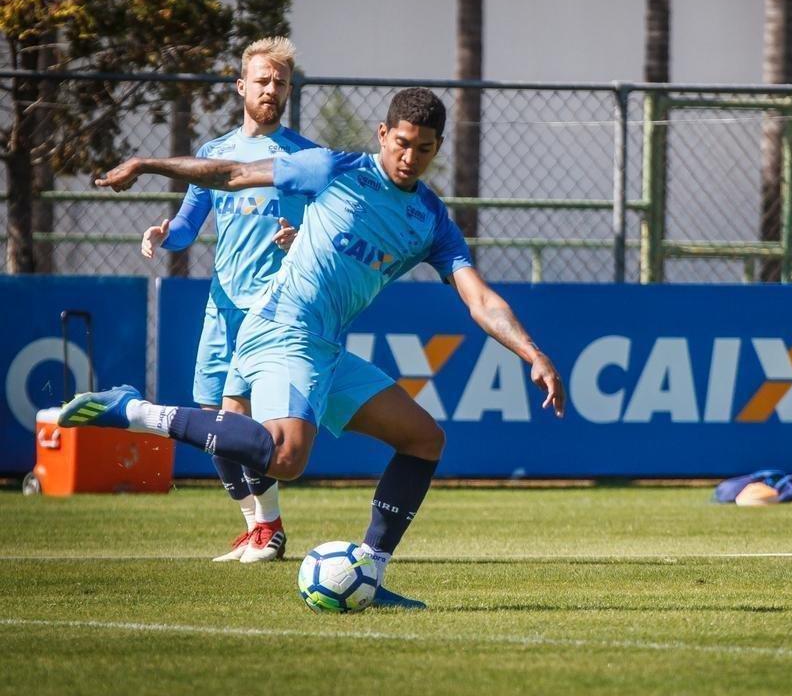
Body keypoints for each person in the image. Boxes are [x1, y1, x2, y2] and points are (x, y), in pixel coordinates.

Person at [61, 87, 567, 609]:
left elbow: (478, 298)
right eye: (402, 143)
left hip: (322, 345)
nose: (410, 157)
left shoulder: (432, 220)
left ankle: (367, 573)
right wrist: (146, 164)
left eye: (425, 148)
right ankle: (135, 409)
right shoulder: (333, 168)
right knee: (286, 456)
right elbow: (230, 174)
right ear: (383, 135)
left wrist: (532, 352)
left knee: (423, 439)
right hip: (282, 324)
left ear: (438, 148)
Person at [141, 36, 318, 564]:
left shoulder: (305, 158)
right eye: (262, 81)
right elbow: (189, 226)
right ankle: (254, 526)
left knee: (245, 422)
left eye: (280, 83)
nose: (271, 89)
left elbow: (326, 231)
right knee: (210, 414)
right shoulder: (214, 156)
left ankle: (273, 529)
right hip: (223, 305)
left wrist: (300, 240)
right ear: (241, 86)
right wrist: (163, 232)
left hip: (274, 311)